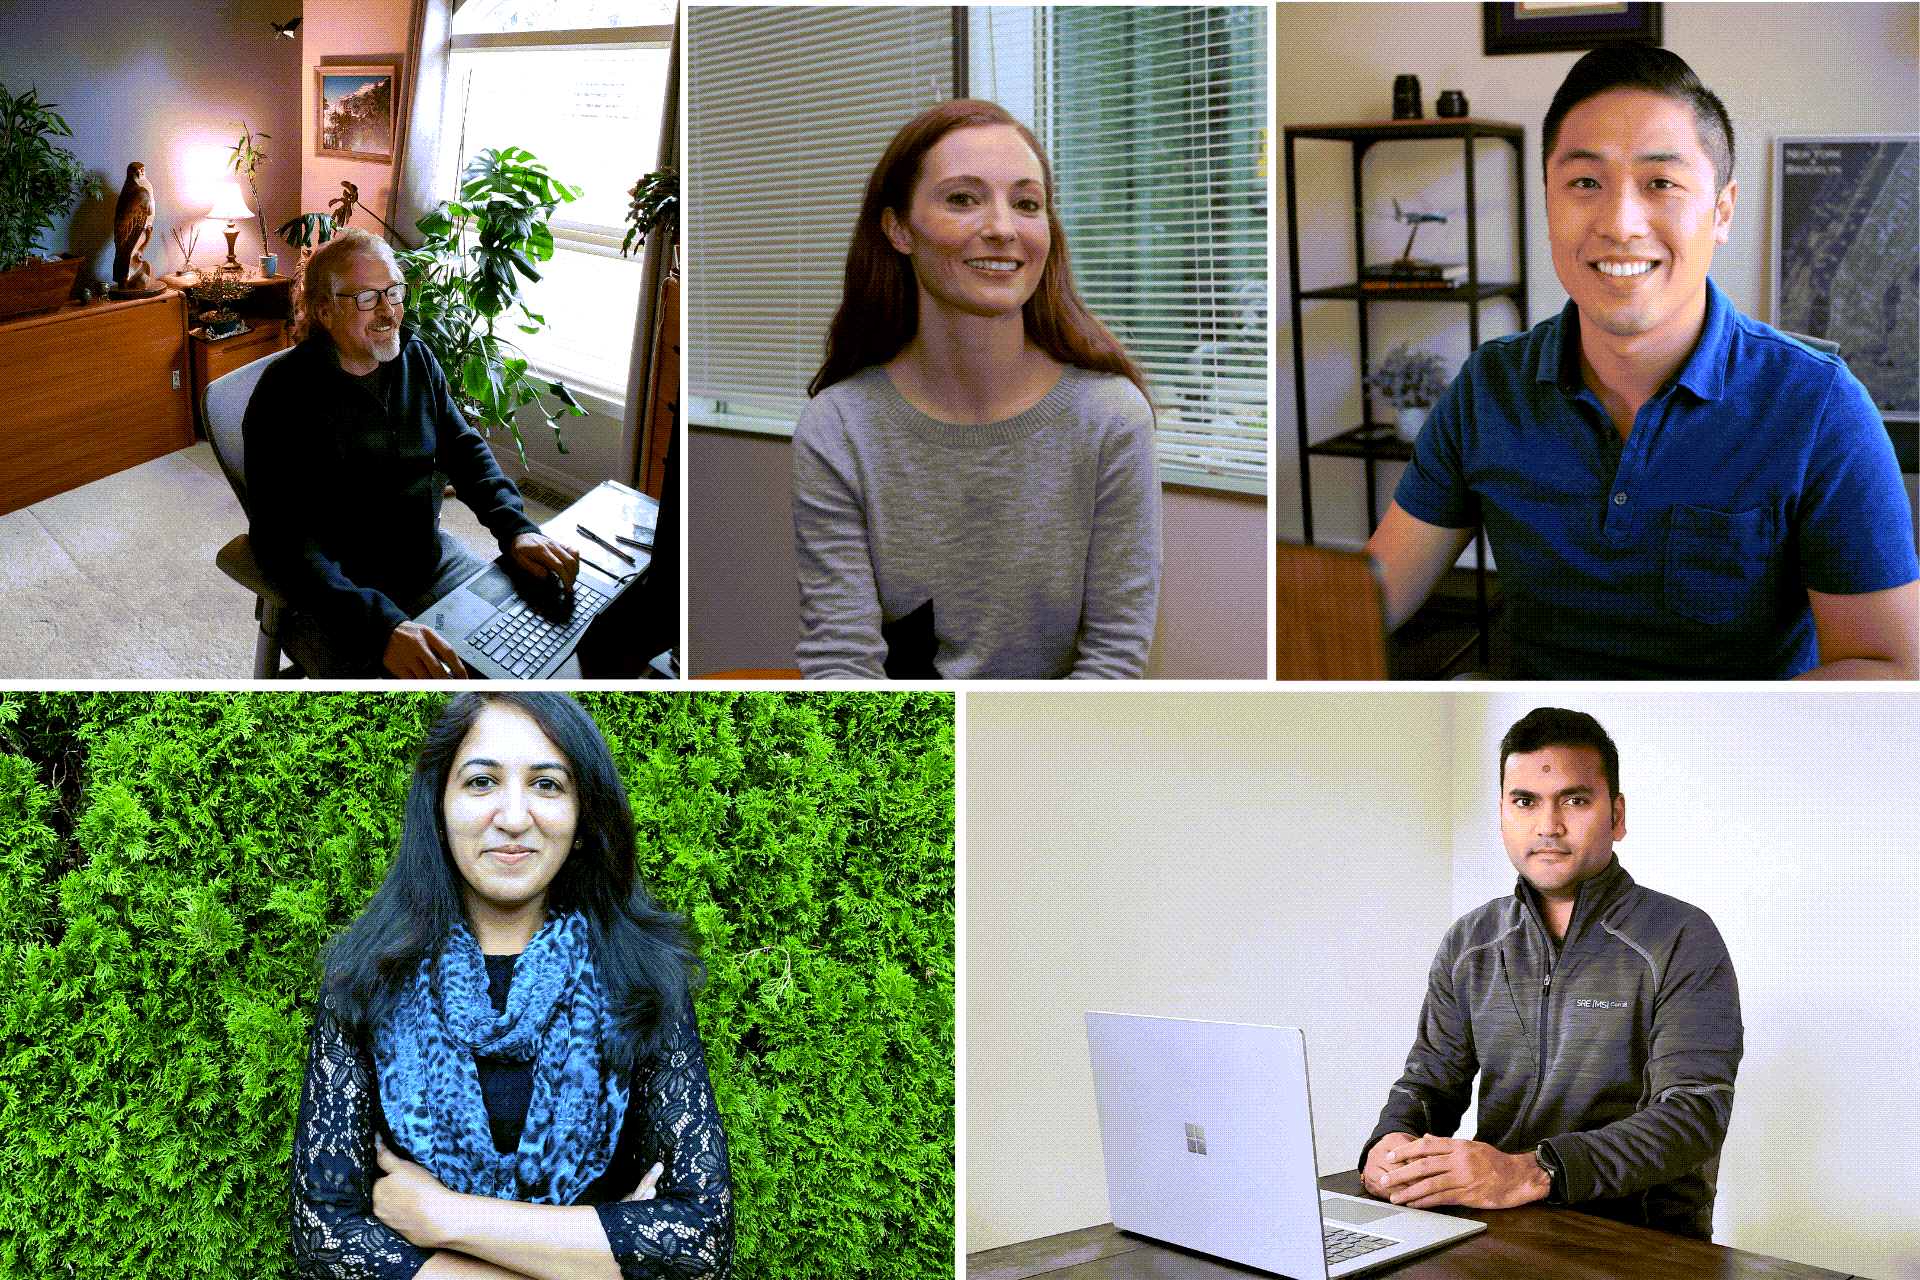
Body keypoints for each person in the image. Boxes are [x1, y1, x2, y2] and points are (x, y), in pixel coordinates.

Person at [1363, 45, 1917, 679]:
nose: (1621, 223)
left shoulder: (1819, 405)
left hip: (1729, 741)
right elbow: (1368, 601)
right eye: (1585, 183)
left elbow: (1888, 670)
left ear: (1722, 211)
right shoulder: (1489, 389)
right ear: (1549, 204)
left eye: (1661, 183)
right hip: (1535, 733)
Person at [290, 692, 733, 1280]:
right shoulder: (370, 978)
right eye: (481, 782)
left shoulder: (640, 978)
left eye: (547, 785)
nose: (514, 817)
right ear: (438, 807)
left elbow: (699, 1242)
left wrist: (445, 1216)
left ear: (583, 815)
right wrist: (588, 1258)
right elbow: (324, 1240)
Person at [791, 98, 1163, 679]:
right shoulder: (837, 428)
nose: (1003, 229)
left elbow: (1113, 661)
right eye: (963, 199)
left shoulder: (1112, 417)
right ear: (898, 229)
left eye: (1027, 204)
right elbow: (842, 665)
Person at [1359, 707, 1741, 1242]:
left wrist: (1529, 1171)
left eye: (1575, 801)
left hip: (1641, 1241)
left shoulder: (1682, 936)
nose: (1548, 826)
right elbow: (1429, 1084)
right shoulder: (1470, 942)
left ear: (1617, 816)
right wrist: (1390, 1143)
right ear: (1502, 814)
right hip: (1493, 1231)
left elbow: (1692, 1115)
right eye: (1525, 802)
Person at [242, 228, 581, 679]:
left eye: (393, 292)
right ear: (325, 312)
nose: (388, 311)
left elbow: (463, 448)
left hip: (428, 563)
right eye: (366, 298)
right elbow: (283, 541)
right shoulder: (284, 396)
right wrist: (380, 627)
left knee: (535, 647)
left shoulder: (415, 360)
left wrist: (515, 527)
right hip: (335, 602)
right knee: (435, 714)